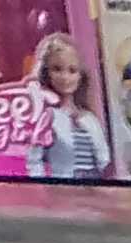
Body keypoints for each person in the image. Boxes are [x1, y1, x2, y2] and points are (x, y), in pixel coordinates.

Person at [26, 31, 112, 176]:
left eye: (72, 71)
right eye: (57, 69)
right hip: (62, 185)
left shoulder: (90, 119)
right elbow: (34, 161)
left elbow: (104, 160)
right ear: (46, 72)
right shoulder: (45, 117)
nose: (65, 77)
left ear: (80, 76)